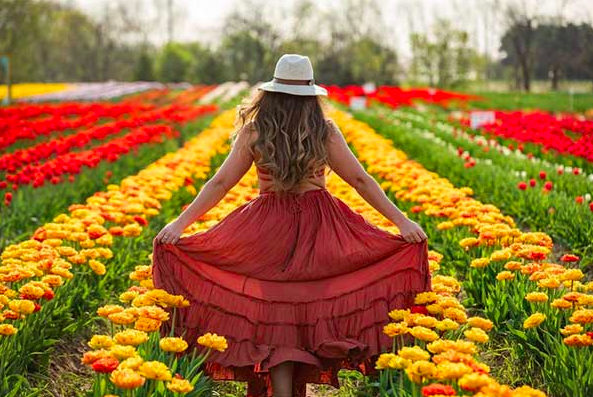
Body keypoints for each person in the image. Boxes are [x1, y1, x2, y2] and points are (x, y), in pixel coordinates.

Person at [152, 54, 431, 397]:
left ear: (270, 93)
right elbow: (360, 180)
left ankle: (284, 392)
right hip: (321, 225)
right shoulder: (323, 130)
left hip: (266, 229)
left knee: (277, 314)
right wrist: (401, 221)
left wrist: (181, 224)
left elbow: (221, 183)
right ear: (312, 95)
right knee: (313, 304)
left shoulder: (256, 130)